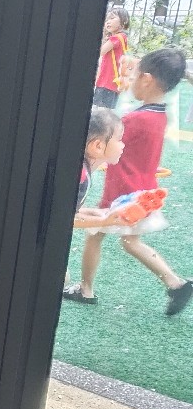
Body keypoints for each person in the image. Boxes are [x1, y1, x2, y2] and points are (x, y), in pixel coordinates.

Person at [64, 48, 193, 315]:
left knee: (94, 233)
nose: (130, 80)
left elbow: (104, 135)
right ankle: (175, 282)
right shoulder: (160, 115)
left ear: (146, 79)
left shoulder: (136, 119)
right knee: (130, 242)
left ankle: (86, 289)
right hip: (144, 189)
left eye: (134, 75)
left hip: (124, 191)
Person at [66, 108, 124, 291]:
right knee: (61, 277)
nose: (123, 145)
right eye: (119, 139)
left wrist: (95, 213)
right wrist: (104, 221)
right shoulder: (81, 176)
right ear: (98, 146)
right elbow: (65, 219)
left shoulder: (83, 169)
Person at [93, 7, 130, 109]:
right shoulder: (123, 38)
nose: (108, 22)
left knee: (98, 112)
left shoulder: (116, 38)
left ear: (123, 22)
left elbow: (100, 51)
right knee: (106, 112)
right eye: (107, 20)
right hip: (114, 83)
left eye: (112, 18)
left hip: (106, 82)